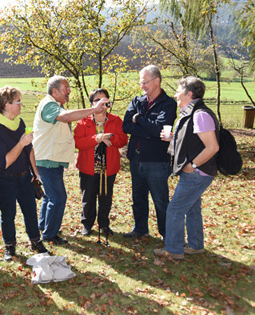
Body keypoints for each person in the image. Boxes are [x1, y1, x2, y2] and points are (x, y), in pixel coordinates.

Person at [33, 75, 107, 245]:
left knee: (50, 197)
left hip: (51, 158)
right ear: (54, 91)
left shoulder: (55, 105)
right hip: (47, 159)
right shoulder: (49, 104)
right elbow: (66, 117)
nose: (69, 92)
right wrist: (94, 110)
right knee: (58, 198)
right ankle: (50, 235)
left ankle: (44, 226)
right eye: (65, 88)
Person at [154, 76, 219, 260]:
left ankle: (173, 250)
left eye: (178, 90)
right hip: (196, 171)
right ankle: (196, 245)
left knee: (174, 210)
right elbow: (194, 139)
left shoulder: (200, 114)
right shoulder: (191, 113)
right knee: (192, 207)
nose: (175, 94)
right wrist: (173, 138)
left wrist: (193, 165)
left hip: (197, 172)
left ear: (189, 94)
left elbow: (212, 146)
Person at [0, 86, 49, 261]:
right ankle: (10, 246)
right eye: (18, 101)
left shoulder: (19, 123)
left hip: (24, 177)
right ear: (6, 105)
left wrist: (35, 173)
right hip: (3, 180)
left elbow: (29, 149)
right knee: (8, 213)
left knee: (30, 210)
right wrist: (21, 143)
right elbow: (5, 162)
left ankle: (36, 241)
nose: (21, 104)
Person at [122, 65, 177, 240]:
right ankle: (140, 229)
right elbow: (126, 126)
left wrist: (138, 119)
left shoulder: (168, 103)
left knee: (160, 200)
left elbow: (159, 129)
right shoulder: (137, 101)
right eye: (141, 82)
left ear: (157, 81)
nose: (142, 86)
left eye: (145, 82)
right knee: (138, 197)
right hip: (136, 157)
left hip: (156, 160)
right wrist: (148, 129)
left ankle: (167, 234)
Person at [74, 88, 128, 237]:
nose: (100, 103)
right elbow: (78, 143)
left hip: (108, 168)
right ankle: (87, 225)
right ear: (91, 104)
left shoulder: (115, 120)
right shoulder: (83, 121)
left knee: (105, 198)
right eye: (96, 100)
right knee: (88, 198)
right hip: (88, 167)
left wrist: (110, 137)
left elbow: (123, 140)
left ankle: (104, 225)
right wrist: (96, 139)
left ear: (108, 103)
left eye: (103, 100)